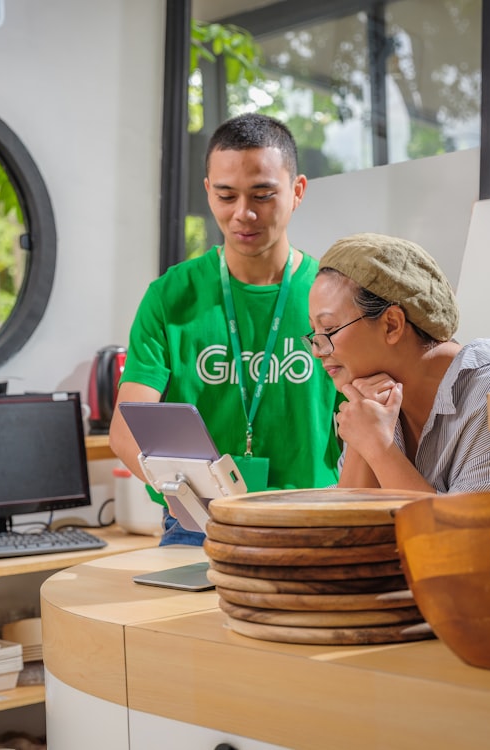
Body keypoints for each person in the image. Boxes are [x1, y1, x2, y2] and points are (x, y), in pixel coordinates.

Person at [109, 113, 341, 546]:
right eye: (226, 195)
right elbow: (126, 431)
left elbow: (368, 424)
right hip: (199, 521)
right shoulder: (170, 296)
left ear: (297, 191)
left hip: (310, 514)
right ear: (207, 192)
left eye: (263, 195)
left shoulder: (332, 296)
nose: (243, 214)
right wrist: (186, 497)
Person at [306, 232, 490, 493]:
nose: (318, 350)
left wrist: (378, 448)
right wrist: (363, 446)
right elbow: (347, 524)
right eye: (313, 332)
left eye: (328, 329)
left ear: (392, 325)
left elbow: (464, 533)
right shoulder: (372, 400)